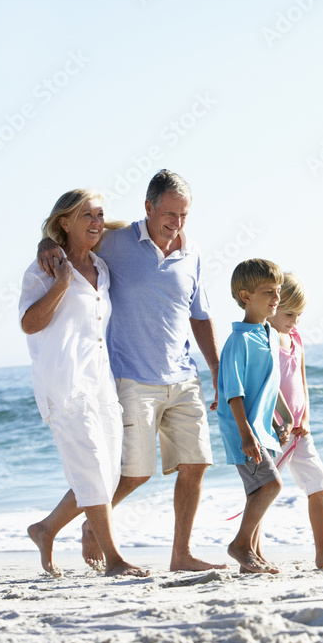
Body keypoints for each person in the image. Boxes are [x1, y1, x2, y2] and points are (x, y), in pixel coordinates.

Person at [38, 170, 225, 572]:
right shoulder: (116, 242)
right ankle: (83, 524)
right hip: (132, 379)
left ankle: (181, 554)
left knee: (196, 465)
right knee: (133, 474)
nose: (176, 223)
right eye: (169, 213)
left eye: (184, 215)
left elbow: (200, 314)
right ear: (148, 207)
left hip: (183, 376)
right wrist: (45, 242)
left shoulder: (191, 252)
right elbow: (71, 237)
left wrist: (215, 368)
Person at [20, 189, 148, 578]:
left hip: (100, 384)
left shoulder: (102, 267)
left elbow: (124, 231)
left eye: (99, 214)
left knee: (106, 475)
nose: (95, 222)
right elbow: (29, 323)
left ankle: (45, 530)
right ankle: (114, 559)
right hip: (63, 384)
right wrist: (60, 281)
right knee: (91, 470)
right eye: (86, 215)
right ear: (65, 222)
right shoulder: (41, 269)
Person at [267, 272, 323, 569]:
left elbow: (301, 382)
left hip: (301, 430)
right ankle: (249, 550)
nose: (295, 320)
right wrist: (282, 422)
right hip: (274, 430)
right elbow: (266, 385)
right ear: (272, 307)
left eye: (299, 314)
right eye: (290, 313)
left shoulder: (296, 338)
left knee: (317, 482)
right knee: (263, 489)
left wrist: (306, 418)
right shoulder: (264, 338)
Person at [216, 258, 294, 573]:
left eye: (277, 291)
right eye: (268, 293)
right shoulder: (238, 341)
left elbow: (269, 385)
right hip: (242, 432)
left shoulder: (269, 334)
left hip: (261, 430)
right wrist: (247, 434)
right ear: (246, 296)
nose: (276, 298)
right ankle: (239, 546)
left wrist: (283, 420)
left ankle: (253, 555)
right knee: (271, 486)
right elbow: (234, 393)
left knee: (256, 493)